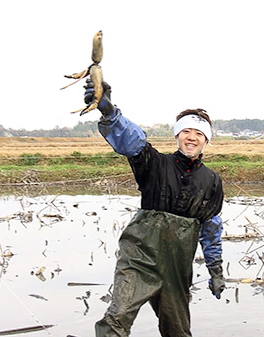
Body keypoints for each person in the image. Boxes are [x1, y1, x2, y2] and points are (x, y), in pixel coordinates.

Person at [83, 79, 226, 337]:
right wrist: (109, 112)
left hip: (177, 268)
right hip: (138, 259)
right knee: (116, 318)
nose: (192, 137)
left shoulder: (212, 181)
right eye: (186, 131)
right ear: (177, 135)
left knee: (178, 331)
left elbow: (211, 228)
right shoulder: (154, 163)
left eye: (199, 133)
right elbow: (131, 141)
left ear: (206, 140)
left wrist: (215, 270)